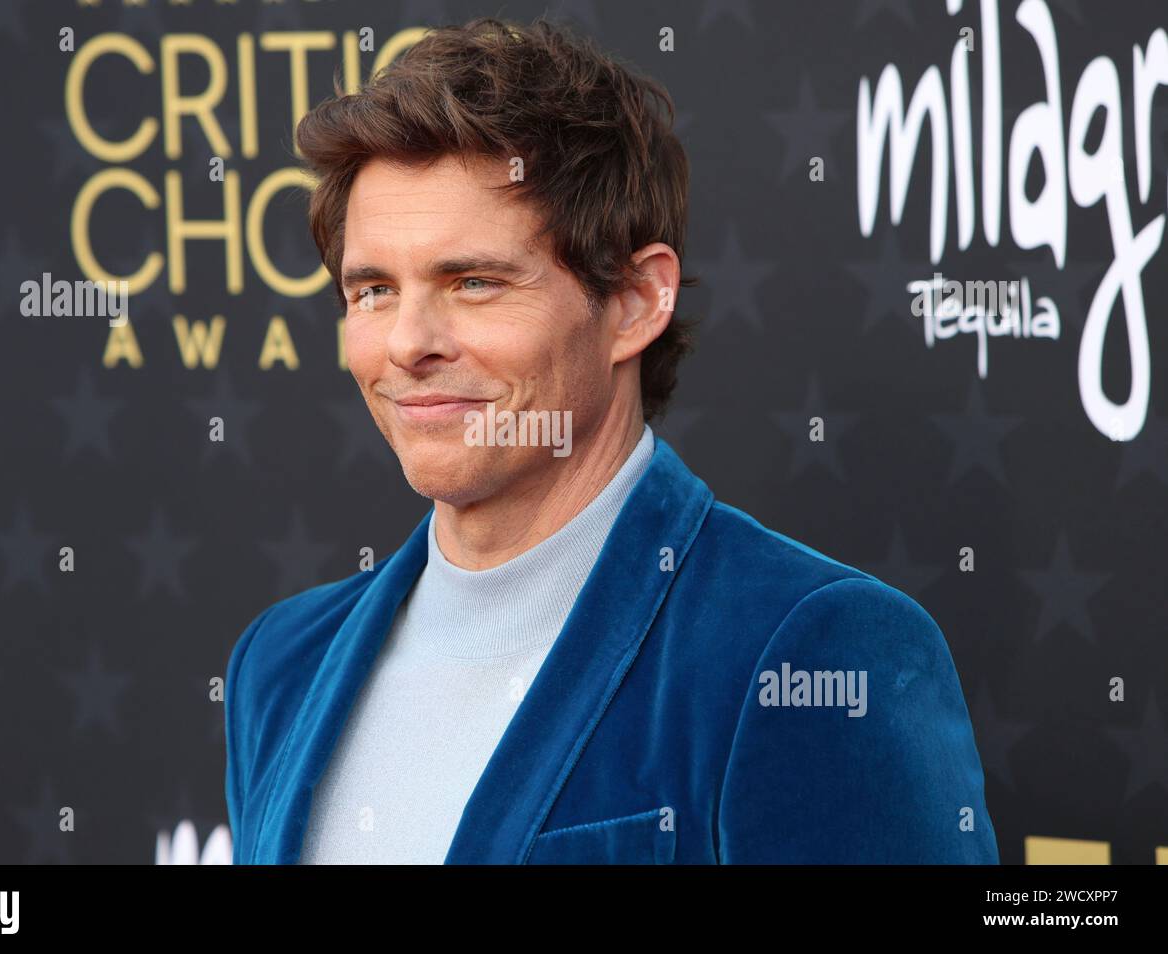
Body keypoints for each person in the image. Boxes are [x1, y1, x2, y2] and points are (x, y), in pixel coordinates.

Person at [224, 16, 998, 864]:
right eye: (372, 291)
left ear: (634, 302)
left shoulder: (806, 651)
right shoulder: (281, 664)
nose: (409, 342)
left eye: (474, 282)